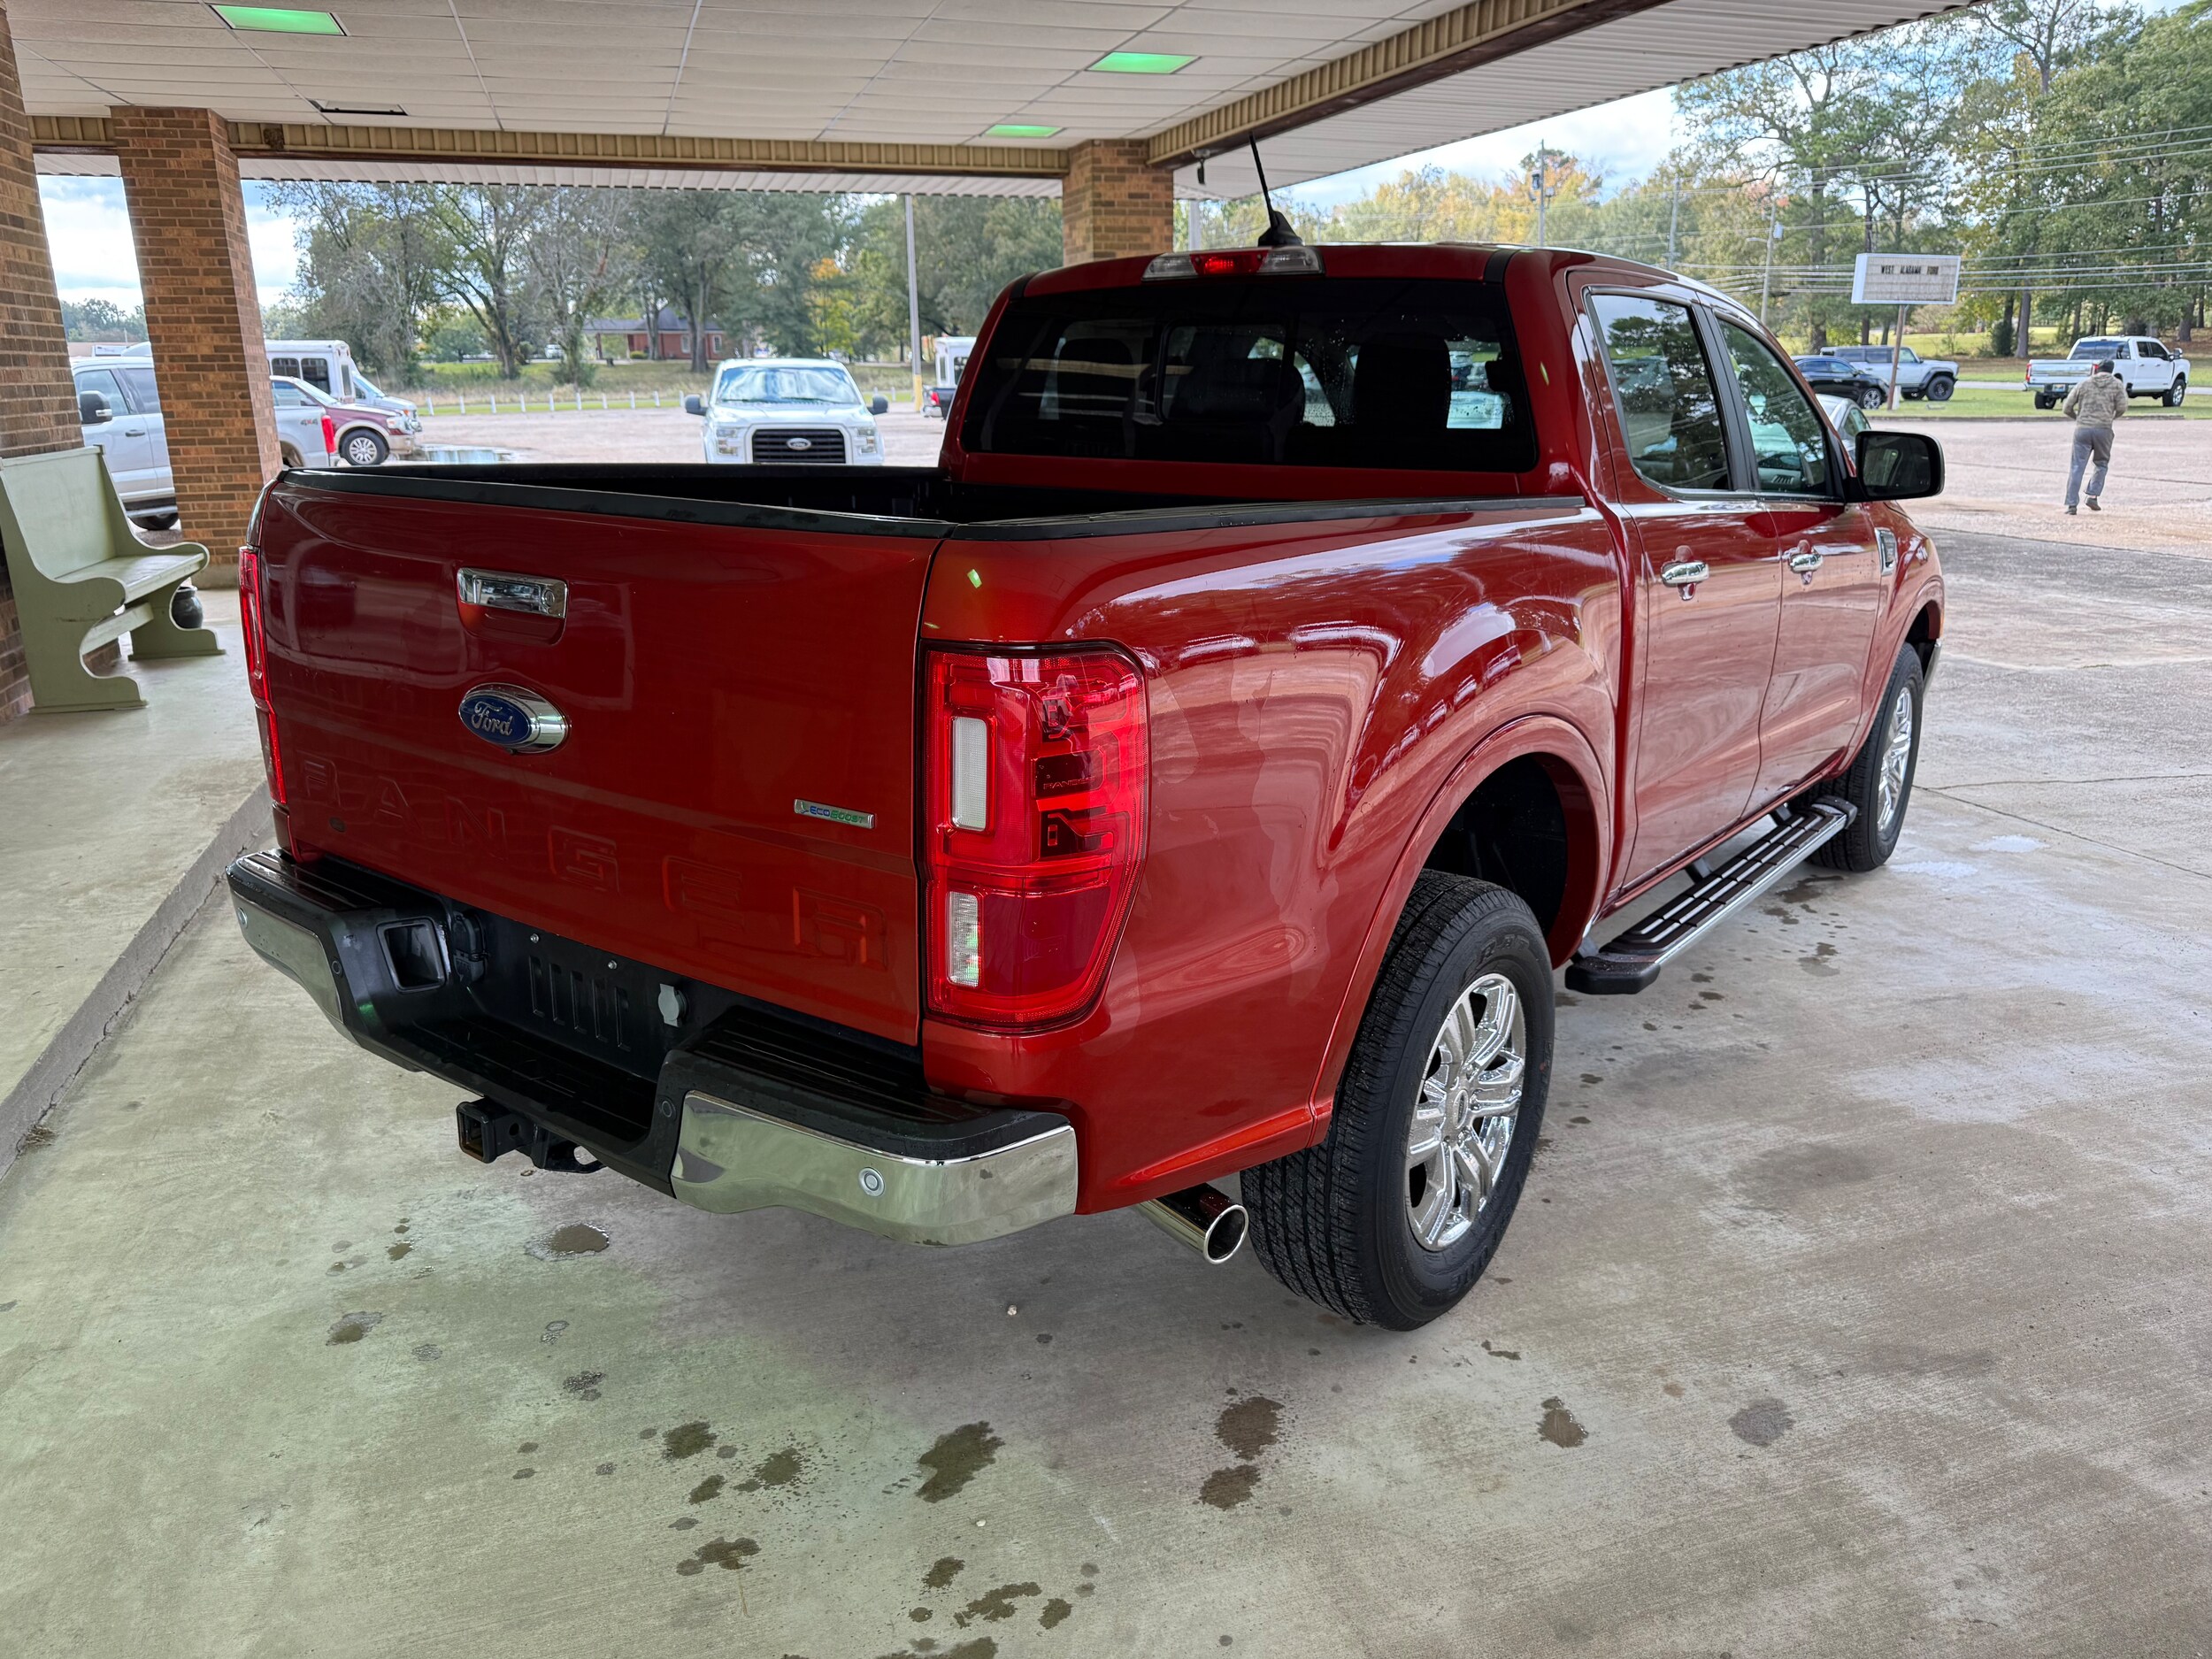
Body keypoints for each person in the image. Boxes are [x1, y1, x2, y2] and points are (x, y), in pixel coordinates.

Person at [2062, 358, 2127, 514]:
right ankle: (2092, 495)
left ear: (2097, 369)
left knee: (2077, 466)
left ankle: (2072, 504)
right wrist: (2111, 417)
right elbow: (2122, 407)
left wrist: (2077, 418)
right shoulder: (2117, 385)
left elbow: (2067, 407)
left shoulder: (2084, 384)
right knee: (2101, 464)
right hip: (2103, 429)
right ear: (2111, 370)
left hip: (2083, 429)